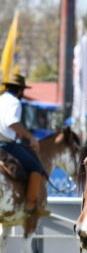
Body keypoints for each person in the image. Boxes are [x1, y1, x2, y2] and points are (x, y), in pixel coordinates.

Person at [0, 74, 50, 218]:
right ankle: (30, 205)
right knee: (37, 168)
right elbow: (12, 122)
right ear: (20, 90)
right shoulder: (15, 102)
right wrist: (30, 137)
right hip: (5, 144)